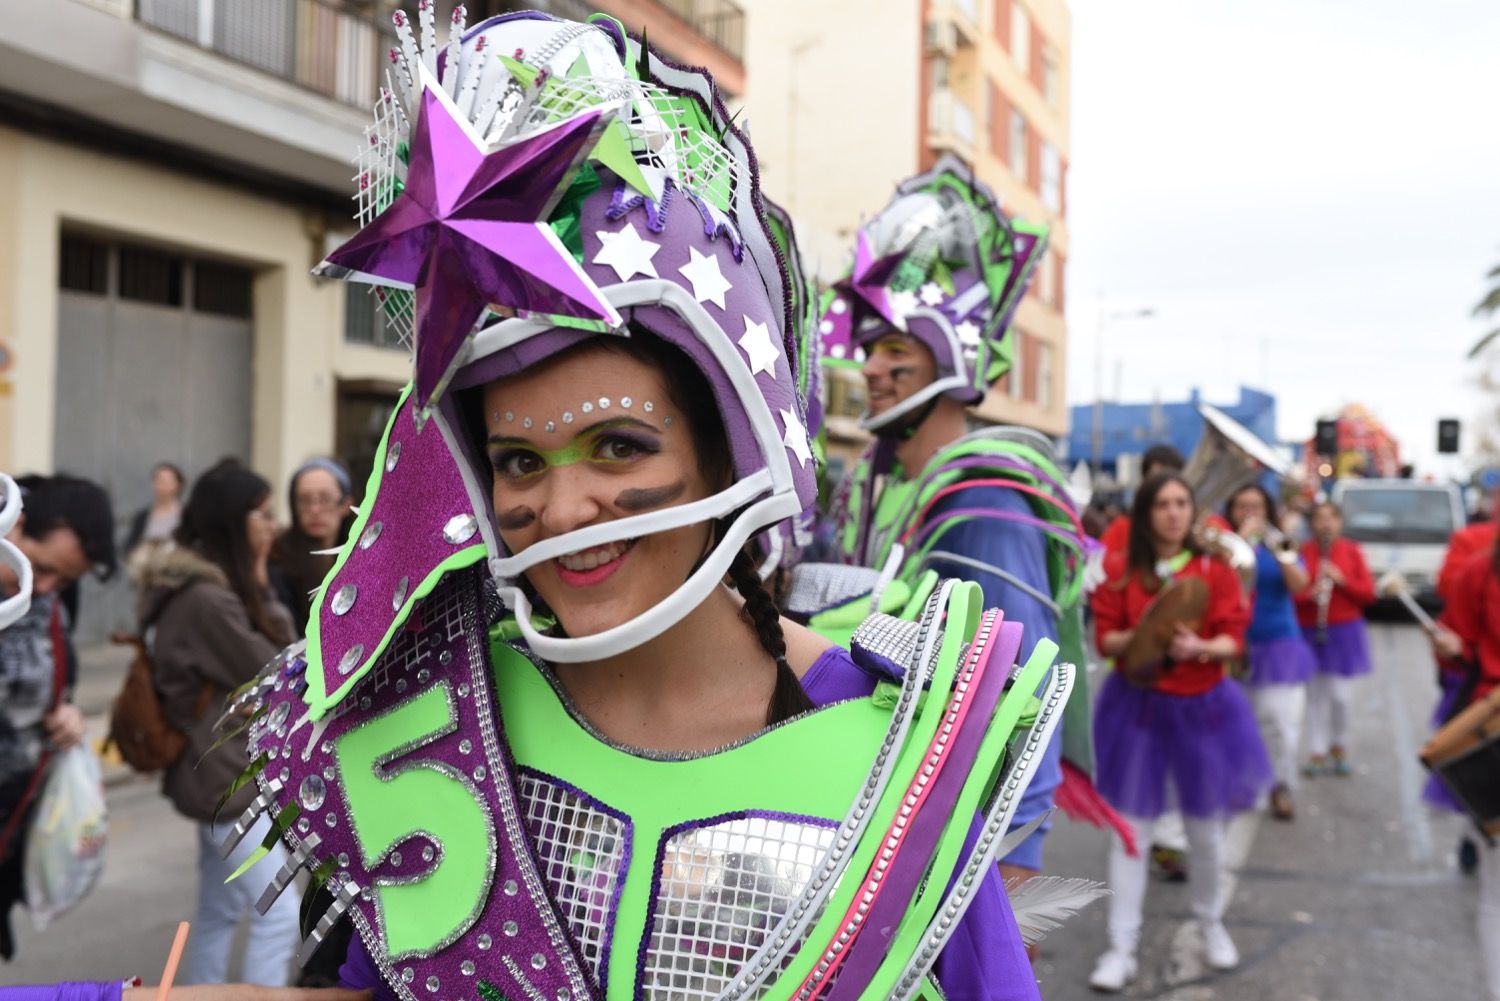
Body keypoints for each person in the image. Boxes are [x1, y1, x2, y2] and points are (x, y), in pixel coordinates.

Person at [226, 9, 1058, 1000]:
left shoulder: (904, 756)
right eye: (519, 460)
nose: (565, 506)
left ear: (726, 454)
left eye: (618, 445)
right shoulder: (437, 722)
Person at [818, 155, 1105, 891]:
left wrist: (1013, 864)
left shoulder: (985, 493)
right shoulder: (873, 486)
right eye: (870, 348)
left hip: (957, 833)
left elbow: (1033, 683)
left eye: (895, 350)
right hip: (859, 808)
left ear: (948, 355)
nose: (872, 368)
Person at [1088, 472, 1271, 992]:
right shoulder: (1121, 572)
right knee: (1131, 834)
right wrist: (1147, 636)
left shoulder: (1216, 571)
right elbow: (1107, 641)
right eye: (1162, 504)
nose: (1173, 513)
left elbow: (1235, 641)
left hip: (1203, 710)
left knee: (1205, 834)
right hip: (1138, 709)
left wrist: (1202, 649)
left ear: (1192, 511)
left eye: (1181, 503)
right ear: (1146, 514)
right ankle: (1120, 947)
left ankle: (1212, 925)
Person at [136, 462, 300, 984]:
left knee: (221, 910)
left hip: (216, 775)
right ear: (234, 522)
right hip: (228, 781)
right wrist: (260, 582)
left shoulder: (200, 587)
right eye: (263, 514)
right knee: (280, 915)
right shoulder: (207, 599)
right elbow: (281, 668)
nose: (272, 526)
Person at [0, 473, 116, 961]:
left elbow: (59, 680)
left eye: (65, 580)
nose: (47, 587)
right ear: (15, 525)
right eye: (43, 568)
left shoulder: (51, 598)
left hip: (12, 821)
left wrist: (68, 714)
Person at [1430, 549, 1500, 1001]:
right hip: (1493, 736)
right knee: (1497, 886)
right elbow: (1455, 653)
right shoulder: (1480, 571)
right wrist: (1453, 649)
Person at [1224, 483, 1314, 821]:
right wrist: (1243, 544)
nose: (1250, 513)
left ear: (1268, 511)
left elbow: (1300, 585)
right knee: (1236, 722)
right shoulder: (1223, 546)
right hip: (1234, 645)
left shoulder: (1281, 543)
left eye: (1257, 507)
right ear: (1231, 511)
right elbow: (1221, 585)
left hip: (1278, 643)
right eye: (1242, 506)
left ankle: (1280, 785)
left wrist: (1280, 552)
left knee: (1279, 722)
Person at [1294, 502, 1375, 776]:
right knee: (1314, 695)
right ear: (1312, 524)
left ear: (1340, 522)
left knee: (1340, 696)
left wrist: (1342, 580)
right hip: (1310, 628)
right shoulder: (1303, 552)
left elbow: (1367, 593)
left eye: (1331, 518)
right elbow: (1292, 594)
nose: (1325, 524)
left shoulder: (1351, 550)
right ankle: (1317, 750)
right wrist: (1309, 594)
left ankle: (1338, 743)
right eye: (1319, 519)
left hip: (1343, 630)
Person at [269, 459, 354, 635]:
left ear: (346, 505)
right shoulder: (277, 562)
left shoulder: (359, 556)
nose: (315, 509)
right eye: (304, 500)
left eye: (325, 499)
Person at [1098, 443, 1185, 555]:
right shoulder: (1122, 529)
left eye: (1181, 503)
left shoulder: (1206, 527)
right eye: (1156, 479)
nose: (1173, 514)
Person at [123, 462, 185, 565]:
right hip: (147, 573)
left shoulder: (186, 516)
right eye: (158, 481)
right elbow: (129, 546)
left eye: (167, 482)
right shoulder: (143, 516)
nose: (162, 486)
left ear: (178, 485)